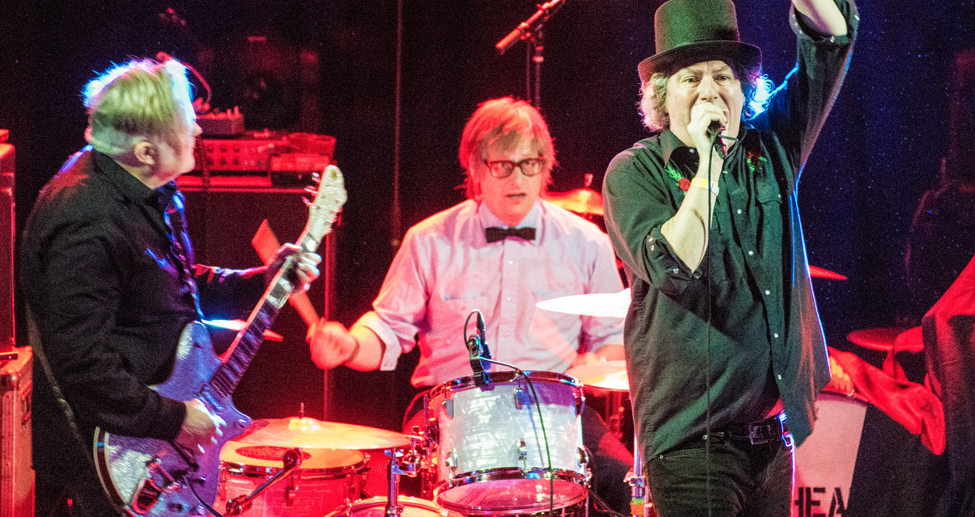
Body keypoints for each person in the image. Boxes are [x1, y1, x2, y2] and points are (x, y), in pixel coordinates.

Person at [602, 0, 858, 517]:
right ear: (662, 99)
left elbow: (832, 43)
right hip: (691, 446)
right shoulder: (634, 172)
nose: (710, 91)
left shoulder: (773, 146)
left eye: (723, 76)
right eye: (691, 79)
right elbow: (673, 265)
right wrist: (709, 163)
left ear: (745, 91)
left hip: (771, 438)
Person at [20, 57, 322, 516]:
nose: (198, 130)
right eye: (186, 124)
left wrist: (260, 282)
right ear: (145, 151)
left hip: (151, 438)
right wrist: (173, 419)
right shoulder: (86, 221)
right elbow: (82, 364)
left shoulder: (143, 187)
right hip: (108, 463)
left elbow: (168, 286)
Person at [307, 96, 633, 514]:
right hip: (448, 412)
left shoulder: (587, 243)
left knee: (627, 485)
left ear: (545, 165)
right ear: (476, 168)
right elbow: (387, 328)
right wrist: (350, 345)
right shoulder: (429, 240)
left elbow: (612, 340)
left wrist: (595, 365)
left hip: (552, 412)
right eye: (503, 166)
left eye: (530, 164)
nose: (518, 178)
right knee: (388, 493)